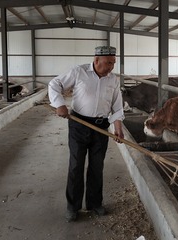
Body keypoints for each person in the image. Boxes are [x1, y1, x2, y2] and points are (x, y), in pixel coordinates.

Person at [48, 46, 125, 222]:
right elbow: (55, 84)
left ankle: (95, 203)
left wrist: (117, 126)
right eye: (108, 63)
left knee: (97, 167)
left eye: (113, 63)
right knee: (76, 165)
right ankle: (73, 207)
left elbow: (117, 105)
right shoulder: (79, 72)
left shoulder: (113, 80)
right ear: (96, 60)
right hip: (79, 125)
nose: (111, 67)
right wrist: (59, 104)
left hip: (100, 127)